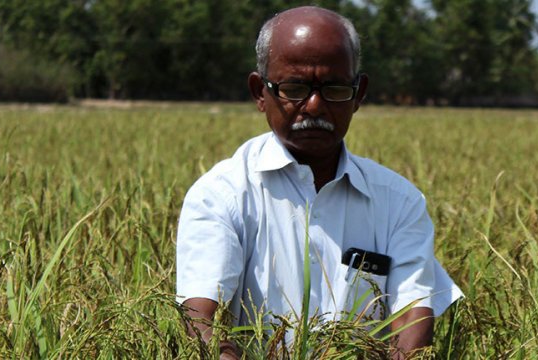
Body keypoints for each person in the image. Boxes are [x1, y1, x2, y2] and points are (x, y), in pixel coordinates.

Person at [175, 6, 463, 358]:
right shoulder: (221, 195)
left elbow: (413, 317)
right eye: (294, 88)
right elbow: (201, 319)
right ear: (259, 93)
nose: (313, 106)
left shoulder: (398, 201)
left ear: (359, 94)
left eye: (335, 89)